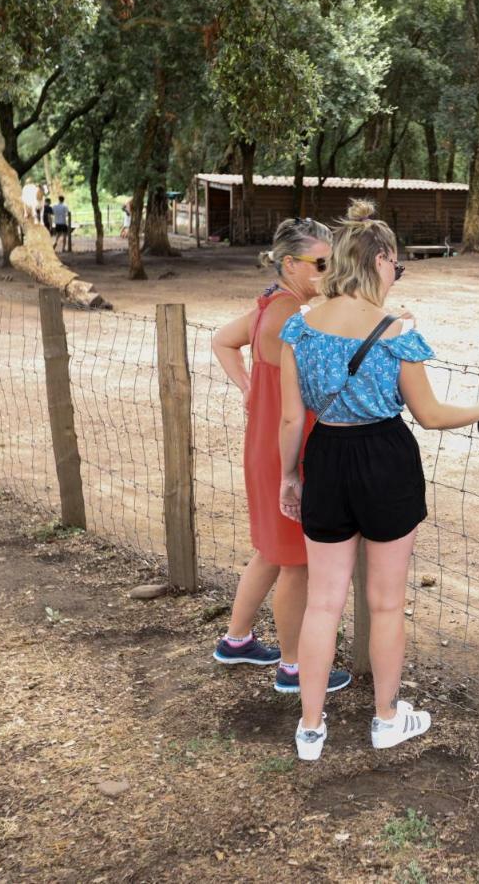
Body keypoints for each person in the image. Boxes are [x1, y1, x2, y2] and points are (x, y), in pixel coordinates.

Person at [278, 199, 479, 761]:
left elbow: (293, 418)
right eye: (397, 266)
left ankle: (310, 729)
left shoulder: (299, 327)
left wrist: (293, 474)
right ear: (381, 259)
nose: (396, 275)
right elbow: (430, 415)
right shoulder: (398, 333)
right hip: (386, 459)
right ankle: (386, 719)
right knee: (385, 604)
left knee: (323, 603)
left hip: (327, 455)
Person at [210, 218, 352, 696]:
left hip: (264, 446)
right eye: (321, 264)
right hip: (287, 452)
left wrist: (251, 388)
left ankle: (237, 639)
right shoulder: (293, 318)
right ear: (290, 264)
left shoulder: (272, 303)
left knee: (271, 552)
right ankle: (293, 667)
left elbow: (222, 341)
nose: (329, 271)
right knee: (296, 562)